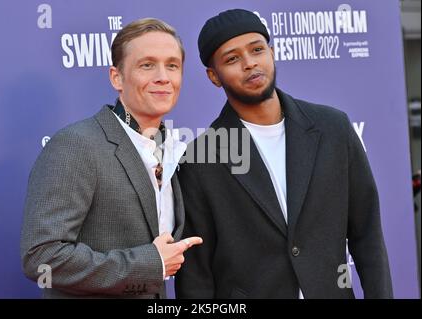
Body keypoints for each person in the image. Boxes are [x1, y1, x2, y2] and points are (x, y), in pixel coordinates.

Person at [175, 9, 393, 298]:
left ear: (272, 52)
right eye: (232, 58)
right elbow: (196, 273)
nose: (250, 63)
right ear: (214, 76)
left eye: (257, 50)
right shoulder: (201, 158)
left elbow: (367, 234)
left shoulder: (333, 128)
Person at [21, 18, 202, 299]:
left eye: (172, 65)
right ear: (116, 77)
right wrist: (149, 264)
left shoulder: (172, 149)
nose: (163, 77)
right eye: (147, 65)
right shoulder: (76, 145)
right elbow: (42, 257)